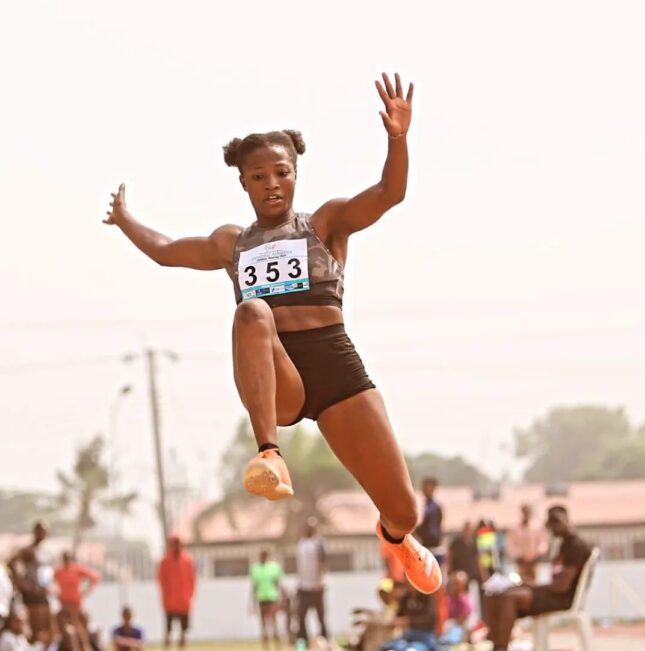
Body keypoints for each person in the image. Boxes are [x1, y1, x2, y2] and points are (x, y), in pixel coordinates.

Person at [103, 72, 442, 596]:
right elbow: (168, 251)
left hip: (335, 364)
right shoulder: (232, 244)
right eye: (258, 176)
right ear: (243, 183)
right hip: (277, 371)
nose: (271, 184)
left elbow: (388, 193)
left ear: (295, 174)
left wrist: (398, 138)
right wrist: (126, 220)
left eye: (281, 173)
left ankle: (396, 537)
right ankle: (269, 453)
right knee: (252, 313)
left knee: (405, 510)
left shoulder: (325, 224)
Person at [483, 505, 592, 651]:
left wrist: (532, 586)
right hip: (553, 594)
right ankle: (496, 643)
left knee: (508, 598)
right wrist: (528, 584)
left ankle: (500, 647)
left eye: (554, 523)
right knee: (498, 594)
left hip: (563, 600)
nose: (551, 528)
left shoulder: (575, 546)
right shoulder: (564, 544)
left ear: (565, 520)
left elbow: (561, 587)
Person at [8, 523, 54, 646]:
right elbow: (12, 563)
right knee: (33, 630)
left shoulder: (45, 552)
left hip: (44, 596)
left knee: (47, 630)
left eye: (44, 532)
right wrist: (24, 584)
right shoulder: (28, 550)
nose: (42, 534)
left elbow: (47, 573)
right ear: (35, 532)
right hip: (31, 598)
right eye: (40, 531)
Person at [156, 536, 195, 650]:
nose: (176, 546)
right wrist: (165, 596)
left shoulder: (187, 561)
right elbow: (161, 580)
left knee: (183, 631)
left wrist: (190, 595)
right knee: (168, 630)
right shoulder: (165, 561)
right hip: (170, 602)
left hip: (184, 601)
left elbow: (192, 579)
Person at [380, 582, 441, 651]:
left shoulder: (428, 596)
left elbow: (430, 619)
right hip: (408, 636)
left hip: (424, 637)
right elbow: (399, 615)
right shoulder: (406, 598)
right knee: (389, 648)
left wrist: (407, 621)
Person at [295, 520, 328, 645]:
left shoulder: (318, 543)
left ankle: (324, 641)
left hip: (316, 586)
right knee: (301, 615)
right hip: (303, 586)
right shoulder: (301, 543)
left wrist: (322, 580)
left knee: (320, 616)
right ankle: (302, 642)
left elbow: (323, 562)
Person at [506, 504, 548, 583]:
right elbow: (511, 544)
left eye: (528, 512)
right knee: (521, 582)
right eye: (524, 512)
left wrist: (536, 555)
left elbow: (542, 543)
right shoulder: (515, 529)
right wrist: (519, 556)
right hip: (521, 562)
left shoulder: (537, 527)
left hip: (534, 561)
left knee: (534, 582)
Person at [250, 550, 283, 649]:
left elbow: (277, 583)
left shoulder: (273, 567)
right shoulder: (256, 569)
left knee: (274, 623)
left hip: (272, 597)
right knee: (263, 625)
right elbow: (255, 586)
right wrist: (253, 601)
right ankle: (266, 647)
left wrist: (280, 598)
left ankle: (278, 646)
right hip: (261, 598)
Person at [415, 478, 443, 550]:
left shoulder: (434, 507)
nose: (424, 489)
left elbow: (433, 531)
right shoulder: (426, 505)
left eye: (426, 487)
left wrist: (416, 530)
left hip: (431, 545)